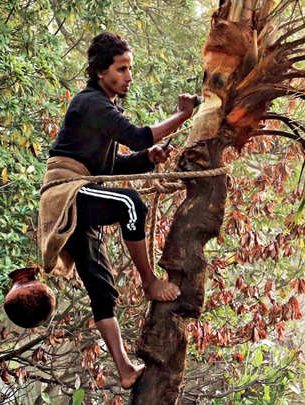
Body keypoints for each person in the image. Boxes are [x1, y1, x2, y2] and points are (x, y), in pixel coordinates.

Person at [44, 32, 197, 388]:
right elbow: (140, 136)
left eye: (130, 69)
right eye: (121, 69)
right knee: (132, 204)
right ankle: (148, 282)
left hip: (82, 191)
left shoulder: (104, 108)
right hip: (67, 193)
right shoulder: (91, 104)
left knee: (102, 290)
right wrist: (182, 115)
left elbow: (114, 165)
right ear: (100, 72)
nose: (129, 76)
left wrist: (147, 159)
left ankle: (125, 369)